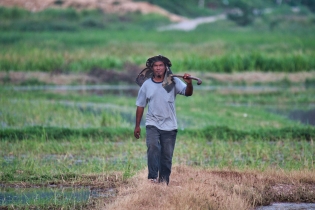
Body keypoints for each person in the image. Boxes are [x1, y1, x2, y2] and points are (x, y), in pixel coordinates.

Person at [134, 55, 193, 185]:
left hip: (170, 125)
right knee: (153, 146)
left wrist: (189, 83)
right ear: (151, 68)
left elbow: (188, 93)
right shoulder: (146, 85)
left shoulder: (172, 82)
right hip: (152, 123)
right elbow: (140, 105)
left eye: (161, 65)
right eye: (156, 66)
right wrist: (137, 126)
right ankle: (152, 178)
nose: (158, 68)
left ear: (166, 67)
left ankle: (163, 183)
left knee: (166, 157)